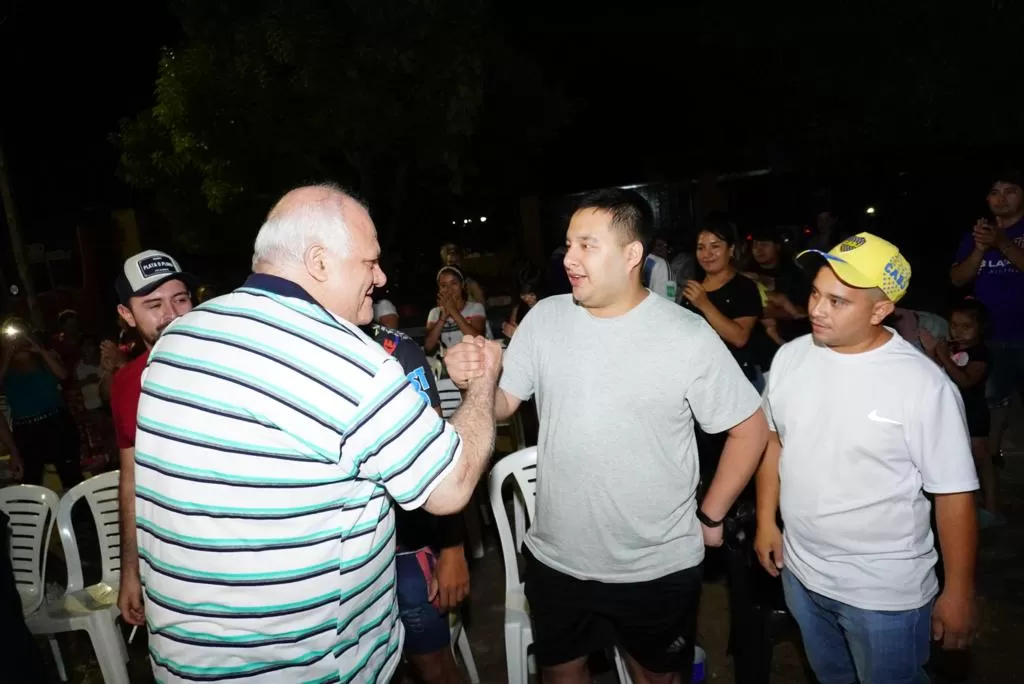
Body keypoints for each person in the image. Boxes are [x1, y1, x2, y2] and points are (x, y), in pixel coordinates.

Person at [134, 184, 502, 683]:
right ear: (319, 262)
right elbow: (451, 485)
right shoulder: (345, 359)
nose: (381, 277)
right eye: (370, 262)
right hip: (306, 666)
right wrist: (482, 387)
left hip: (187, 662)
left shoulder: (180, 337)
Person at [446, 188, 769, 684]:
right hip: (557, 558)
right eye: (569, 244)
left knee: (658, 676)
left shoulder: (686, 334)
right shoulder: (546, 319)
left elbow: (750, 429)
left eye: (587, 246)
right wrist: (477, 381)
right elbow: (504, 405)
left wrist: (711, 513)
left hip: (655, 565)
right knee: (563, 674)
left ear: (631, 254)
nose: (569, 259)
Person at [755, 233, 979, 684]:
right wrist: (765, 521)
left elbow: (953, 495)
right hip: (801, 575)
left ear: (880, 310)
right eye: (816, 293)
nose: (816, 309)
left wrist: (958, 592)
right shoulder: (791, 357)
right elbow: (775, 440)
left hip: (883, 594)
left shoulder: (922, 386)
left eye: (837, 301)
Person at [366, 321, 470, 684]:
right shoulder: (296, 348)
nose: (377, 279)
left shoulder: (396, 350)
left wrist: (453, 547)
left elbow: (438, 459)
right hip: (339, 557)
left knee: (431, 665)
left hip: (405, 545)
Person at [108, 249, 196, 628]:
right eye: (153, 304)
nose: (172, 315)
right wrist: (130, 570)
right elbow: (131, 481)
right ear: (127, 315)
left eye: (181, 299)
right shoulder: (126, 385)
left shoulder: (235, 360)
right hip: (177, 570)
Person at [950, 172, 1024, 469]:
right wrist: (980, 250)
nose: (1002, 197)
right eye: (995, 192)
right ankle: (992, 458)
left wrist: (1003, 243)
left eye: (1010, 190)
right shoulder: (976, 235)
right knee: (994, 400)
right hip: (989, 336)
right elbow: (957, 279)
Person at [920, 298, 1001, 525]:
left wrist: (944, 356)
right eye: (955, 324)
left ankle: (992, 508)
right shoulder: (952, 348)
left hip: (974, 412)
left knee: (982, 460)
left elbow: (966, 381)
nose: (958, 330)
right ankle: (970, 509)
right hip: (952, 410)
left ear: (980, 328)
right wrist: (931, 352)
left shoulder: (980, 353)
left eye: (966, 326)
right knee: (961, 461)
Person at [681, 219, 769, 384]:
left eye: (715, 246)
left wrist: (704, 304)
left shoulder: (744, 287)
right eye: (701, 248)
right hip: (700, 379)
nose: (707, 254)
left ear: (731, 250)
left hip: (737, 381)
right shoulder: (695, 288)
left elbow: (739, 337)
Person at [0, 318, 81, 489]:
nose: (18, 338)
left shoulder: (44, 357)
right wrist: (7, 354)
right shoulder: (5, 367)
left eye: (21, 333)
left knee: (71, 476)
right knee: (31, 481)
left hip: (55, 422)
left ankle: (79, 514)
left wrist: (39, 350)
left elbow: (63, 375)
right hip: (26, 429)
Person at [424, 266, 487, 355]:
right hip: (446, 364)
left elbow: (478, 340)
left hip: (472, 361)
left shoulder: (476, 308)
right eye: (444, 285)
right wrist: (442, 318)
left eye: (454, 283)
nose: (449, 289)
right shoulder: (434, 313)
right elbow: (428, 346)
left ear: (462, 285)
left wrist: (453, 311)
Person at [502, 264, 544, 339]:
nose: (526, 298)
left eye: (531, 294)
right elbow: (511, 325)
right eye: (523, 295)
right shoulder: (518, 306)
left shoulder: (547, 306)